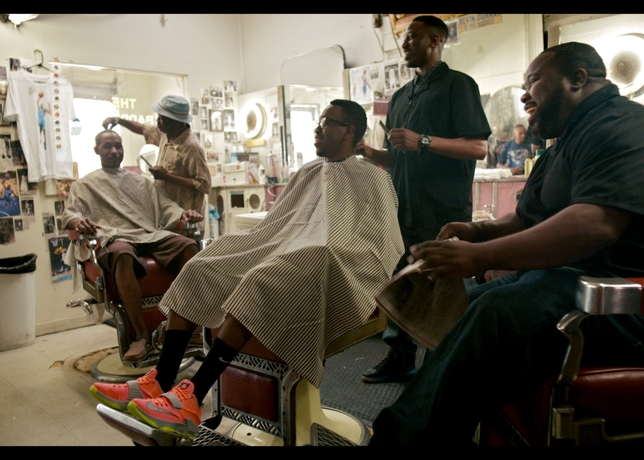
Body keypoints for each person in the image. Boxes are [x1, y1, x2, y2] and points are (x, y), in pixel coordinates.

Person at [369, 42, 644, 446]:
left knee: (495, 313)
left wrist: (480, 255)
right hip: (567, 281)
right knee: (467, 304)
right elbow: (526, 218)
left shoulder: (623, 124)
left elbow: (594, 223)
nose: (525, 95)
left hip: (621, 295)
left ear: (578, 79)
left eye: (533, 82)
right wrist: (478, 232)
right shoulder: (563, 145)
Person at [88, 99, 404, 438]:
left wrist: (323, 249)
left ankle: (192, 396)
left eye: (326, 121)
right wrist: (268, 245)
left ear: (349, 131)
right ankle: (161, 380)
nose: (318, 127)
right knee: (203, 265)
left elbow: (378, 241)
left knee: (262, 277)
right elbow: (276, 226)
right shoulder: (309, 171)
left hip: (331, 265)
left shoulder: (374, 178)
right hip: (285, 251)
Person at [357, 15, 491, 383]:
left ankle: (438, 365)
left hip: (442, 210)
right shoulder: (401, 97)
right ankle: (400, 357)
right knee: (402, 282)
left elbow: (478, 148)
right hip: (403, 207)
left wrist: (424, 141)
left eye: (412, 36)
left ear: (435, 40)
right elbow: (397, 158)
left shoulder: (458, 85)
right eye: (403, 38)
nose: (404, 44)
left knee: (440, 290)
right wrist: (368, 152)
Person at [62, 130, 203, 362]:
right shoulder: (84, 185)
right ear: (96, 150)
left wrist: (183, 214)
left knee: (189, 246)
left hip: (148, 234)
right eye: (107, 146)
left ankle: (186, 326)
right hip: (115, 237)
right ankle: (141, 335)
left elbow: (166, 207)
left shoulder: (140, 181)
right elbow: (71, 213)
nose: (114, 151)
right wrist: (77, 222)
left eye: (118, 146)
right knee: (122, 253)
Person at [102, 95, 211, 217]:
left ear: (176, 122)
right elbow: (142, 129)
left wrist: (166, 176)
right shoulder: (166, 134)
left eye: (162, 118)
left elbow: (204, 184)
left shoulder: (191, 147)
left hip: (186, 216)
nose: (158, 121)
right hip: (167, 212)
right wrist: (119, 120)